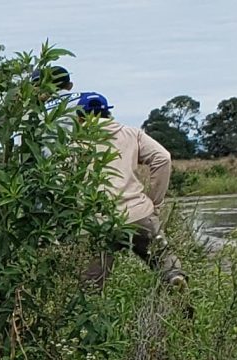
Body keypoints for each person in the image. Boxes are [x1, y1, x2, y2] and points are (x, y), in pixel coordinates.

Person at [76, 91, 183, 288]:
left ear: (80, 117)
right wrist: (155, 203)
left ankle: (90, 310)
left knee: (91, 283)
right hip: (137, 213)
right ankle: (175, 280)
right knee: (165, 262)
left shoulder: (75, 142)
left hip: (97, 221)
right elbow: (163, 158)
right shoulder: (131, 133)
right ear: (108, 114)